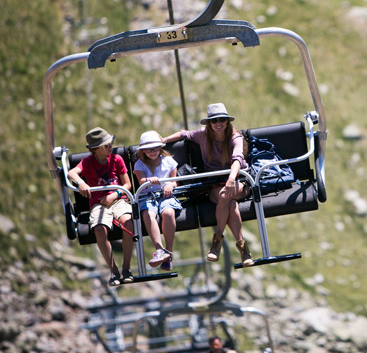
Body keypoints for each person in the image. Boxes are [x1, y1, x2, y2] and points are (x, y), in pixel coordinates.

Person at [162, 103, 254, 267]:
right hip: (215, 185)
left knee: (227, 196)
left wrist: (232, 178)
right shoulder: (202, 136)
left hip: (238, 181)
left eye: (222, 120)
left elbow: (237, 159)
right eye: (214, 121)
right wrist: (164, 140)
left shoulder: (235, 137)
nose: (219, 124)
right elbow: (184, 134)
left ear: (227, 122)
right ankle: (243, 249)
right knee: (229, 202)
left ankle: (217, 242)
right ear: (209, 124)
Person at [67, 127, 134, 286]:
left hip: (118, 199)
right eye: (106, 146)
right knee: (99, 228)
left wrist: (114, 195)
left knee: (129, 223)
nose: (110, 147)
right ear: (95, 149)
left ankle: (126, 268)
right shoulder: (87, 163)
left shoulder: (117, 159)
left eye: (110, 143)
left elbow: (127, 184)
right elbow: (72, 173)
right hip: (99, 203)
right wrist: (81, 182)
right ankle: (113, 270)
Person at [133, 130, 181, 271]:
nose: (152, 152)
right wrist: (149, 180)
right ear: (143, 151)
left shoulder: (169, 162)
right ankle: (159, 249)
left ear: (160, 148)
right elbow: (141, 180)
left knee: (168, 213)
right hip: (148, 196)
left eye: (155, 148)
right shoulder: (140, 165)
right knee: (148, 214)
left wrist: (169, 185)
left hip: (165, 195)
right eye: (148, 150)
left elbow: (175, 182)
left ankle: (168, 252)